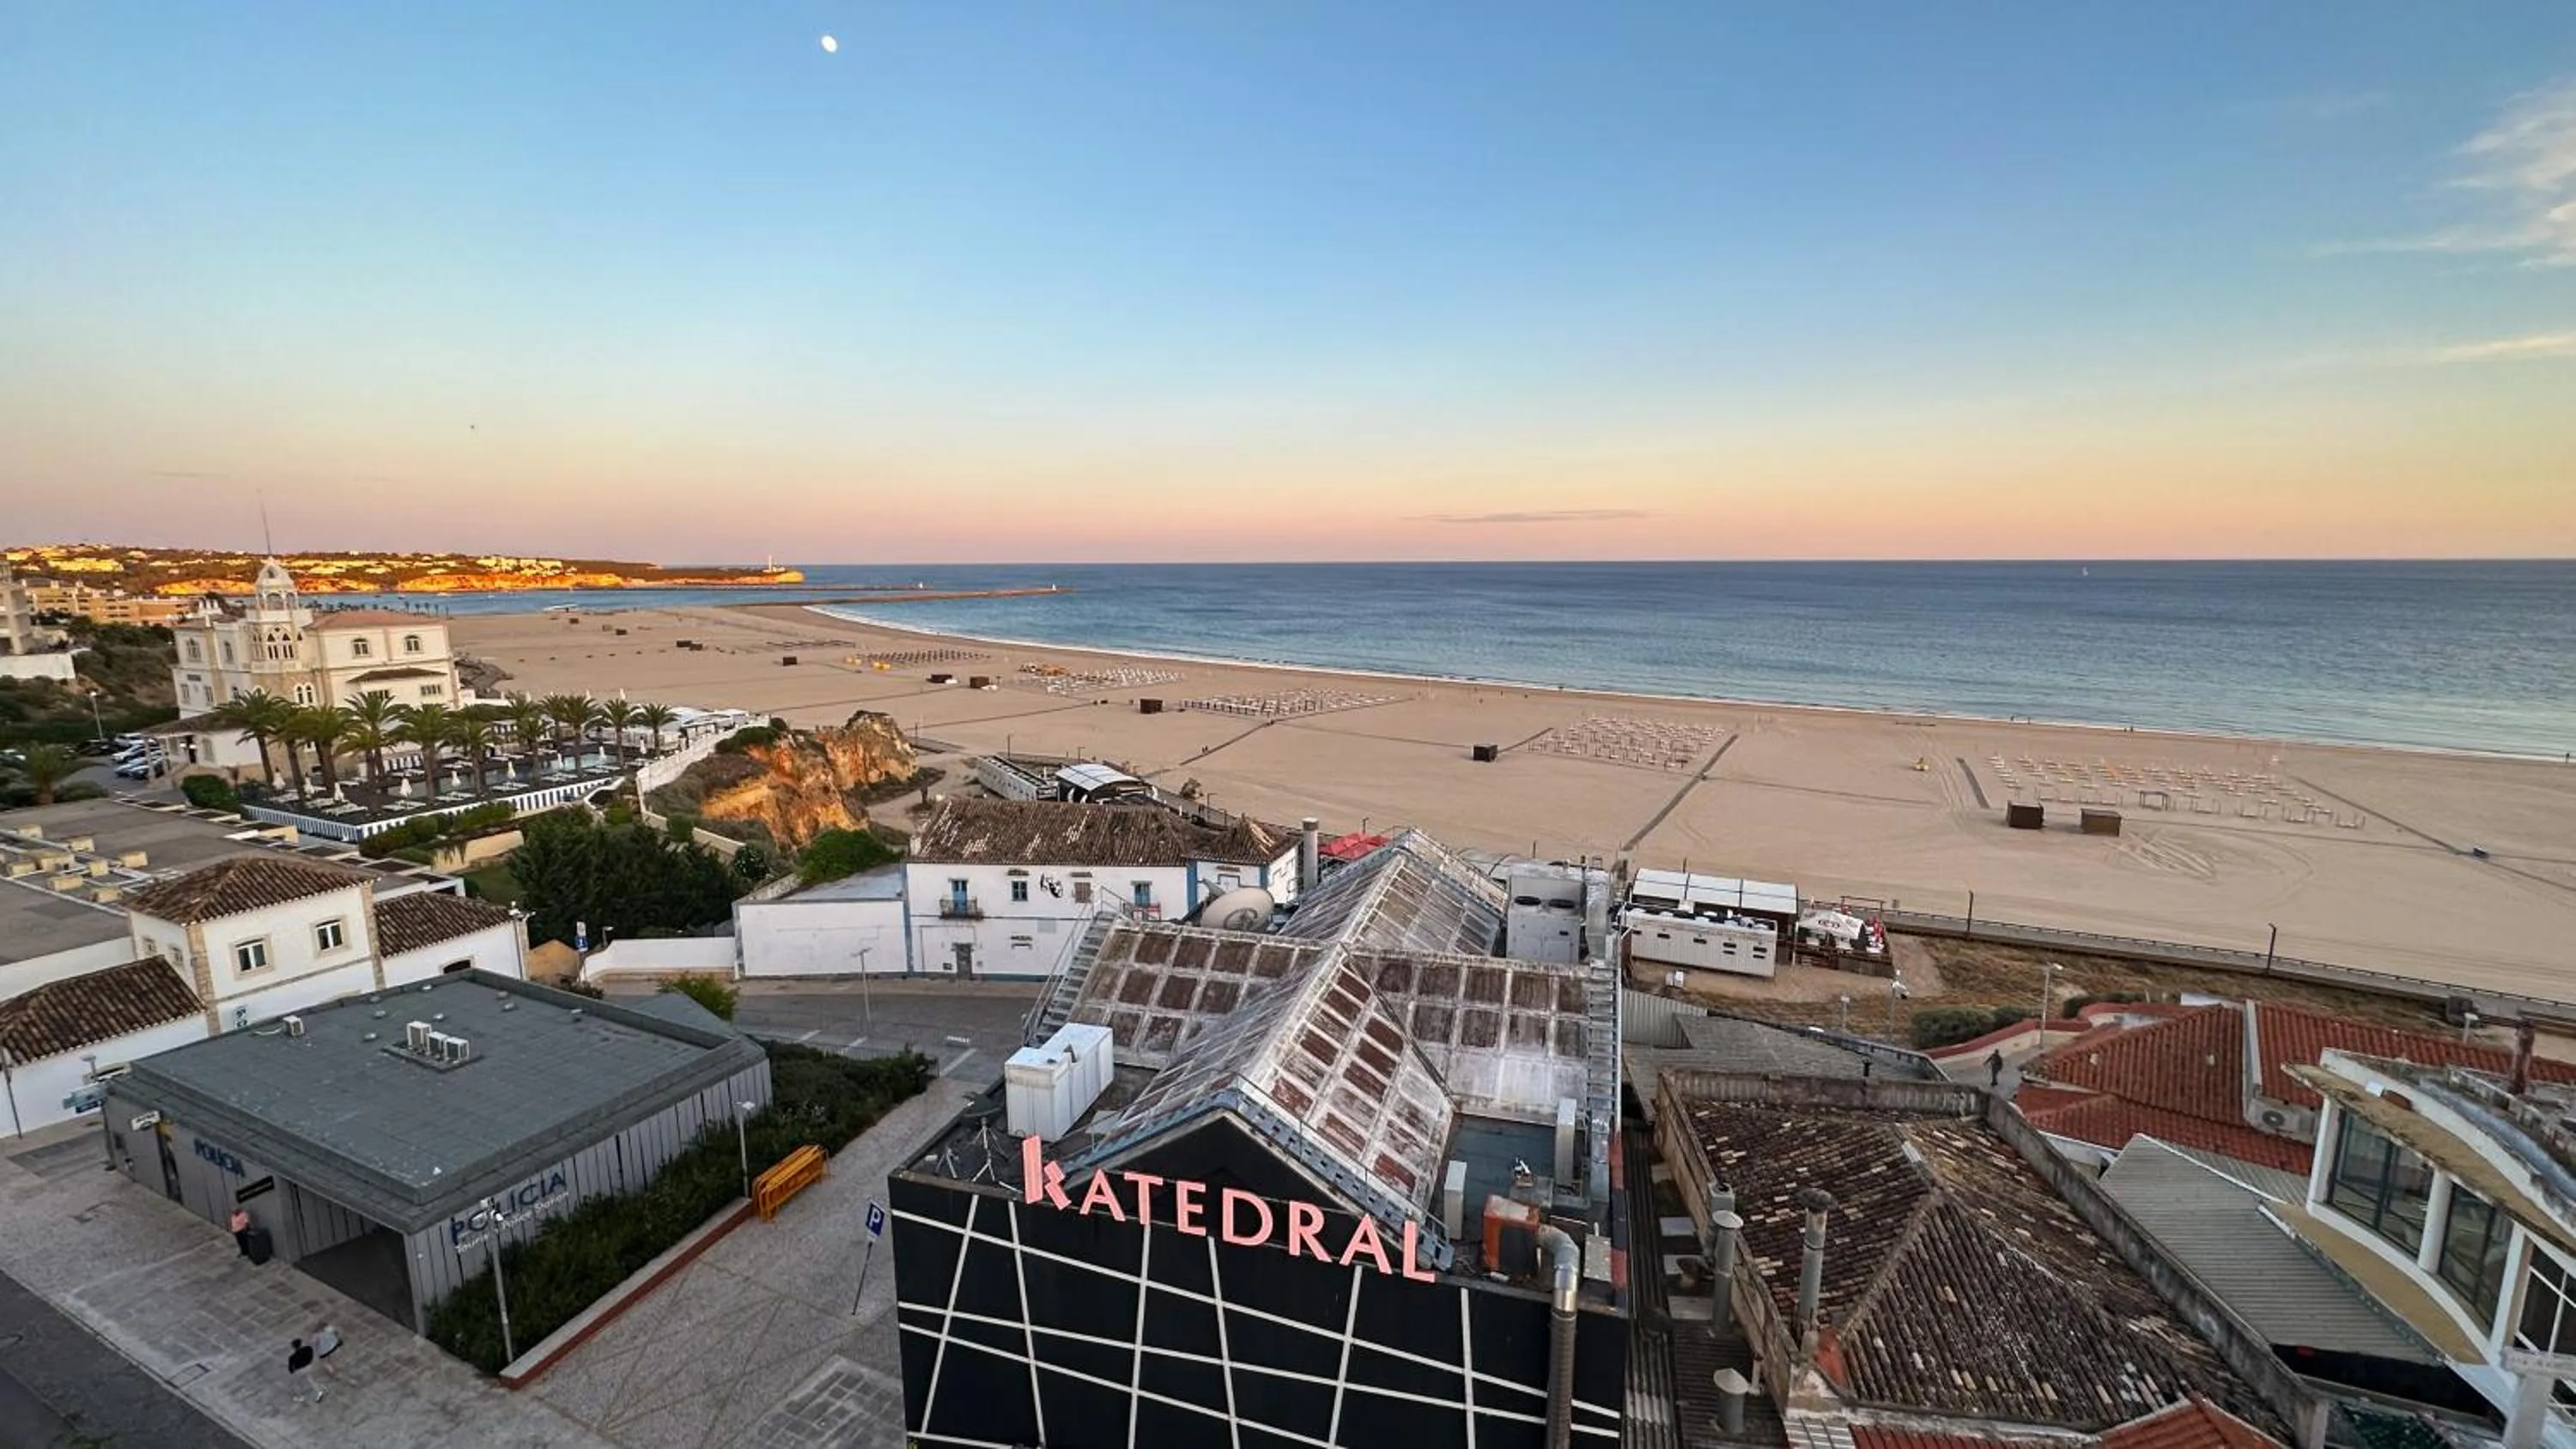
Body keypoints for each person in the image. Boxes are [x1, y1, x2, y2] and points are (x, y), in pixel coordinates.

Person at [287, 1337, 318, 1404]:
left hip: (300, 1370)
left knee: (296, 1384)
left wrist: (292, 1372)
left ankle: (300, 1397)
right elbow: (312, 1356)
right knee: (308, 1377)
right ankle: (316, 1389)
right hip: (309, 1366)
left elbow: (291, 1368)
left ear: (293, 1347)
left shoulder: (292, 1357)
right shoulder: (308, 1349)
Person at [313, 1324, 343, 1391]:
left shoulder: (316, 1336)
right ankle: (336, 1370)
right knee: (333, 1360)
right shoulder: (330, 1329)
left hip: (323, 1351)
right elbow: (337, 1333)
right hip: (333, 1348)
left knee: (325, 1363)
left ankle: (332, 1372)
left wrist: (316, 1352)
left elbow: (314, 1345)